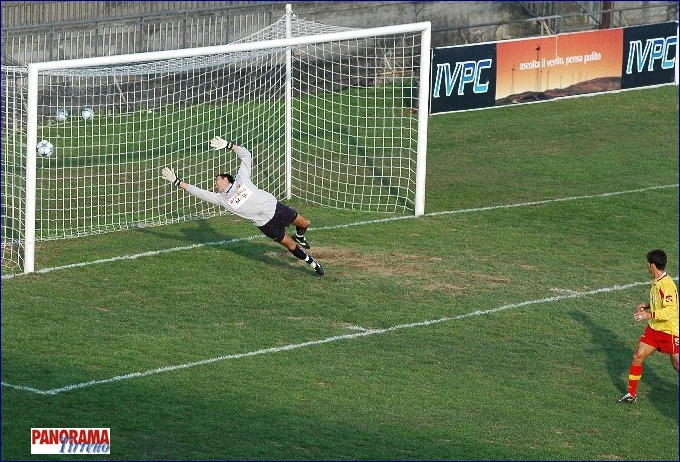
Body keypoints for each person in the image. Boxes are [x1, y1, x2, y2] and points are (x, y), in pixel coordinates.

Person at [161, 136, 324, 276]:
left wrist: (229, 145)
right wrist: (177, 182)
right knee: (290, 245)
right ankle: (312, 263)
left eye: (217, 180)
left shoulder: (241, 179)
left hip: (275, 208)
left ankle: (301, 236)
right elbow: (199, 192)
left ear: (226, 179)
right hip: (265, 224)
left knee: (305, 223)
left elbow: (246, 155)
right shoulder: (221, 199)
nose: (215, 184)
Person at [618, 249, 678, 403]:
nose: (647, 266)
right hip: (654, 329)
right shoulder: (656, 280)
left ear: (652, 265)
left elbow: (670, 310)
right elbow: (660, 303)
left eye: (648, 263)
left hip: (669, 331)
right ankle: (631, 394)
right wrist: (647, 305)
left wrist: (647, 315)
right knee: (638, 356)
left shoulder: (667, 285)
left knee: (677, 365)